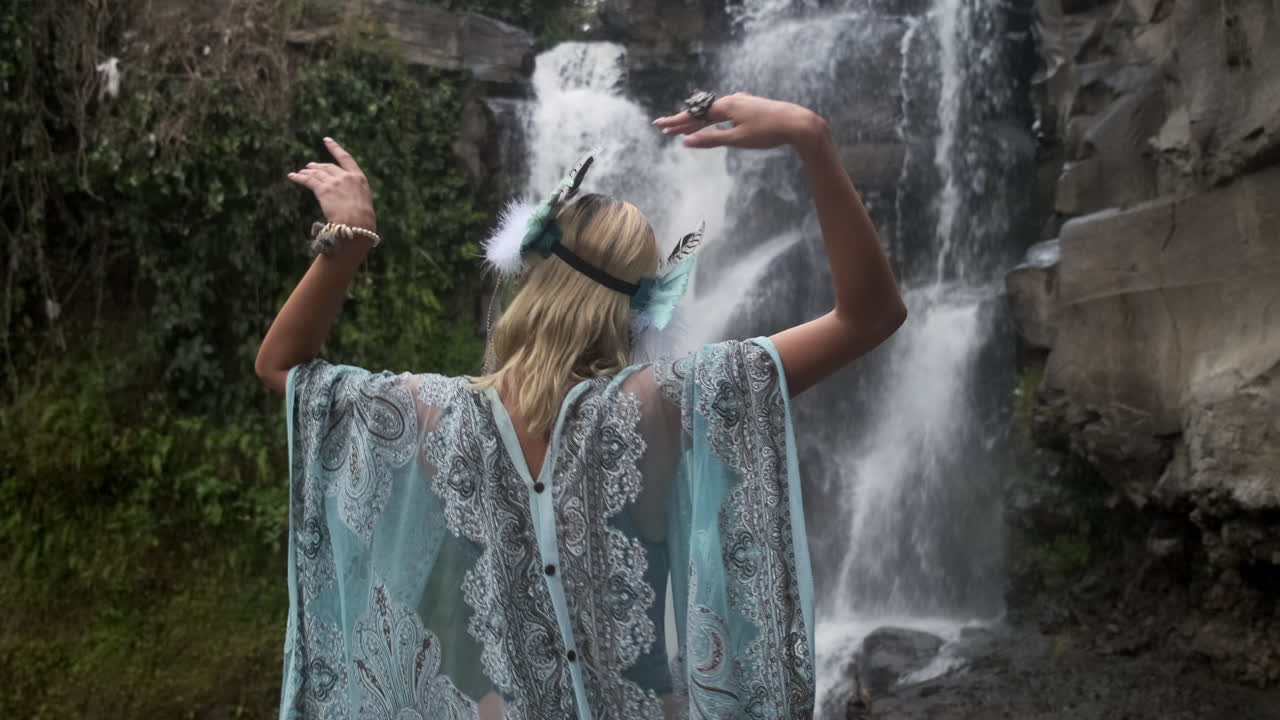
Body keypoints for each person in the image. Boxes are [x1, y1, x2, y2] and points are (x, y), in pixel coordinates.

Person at [255, 92, 906, 720]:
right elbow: (871, 315)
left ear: (528, 271)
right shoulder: (665, 404)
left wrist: (349, 243)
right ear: (641, 305)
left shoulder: (433, 415)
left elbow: (281, 366)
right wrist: (810, 137)